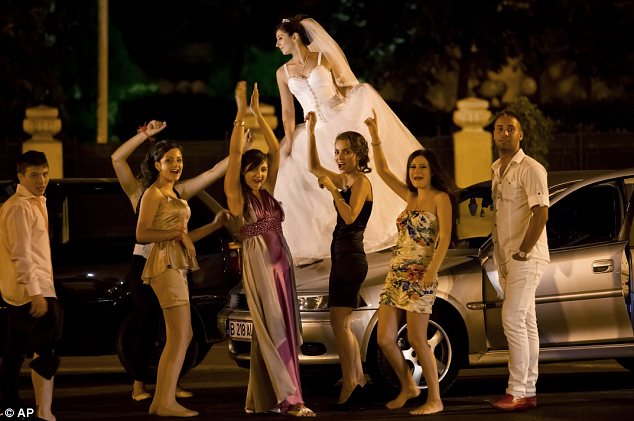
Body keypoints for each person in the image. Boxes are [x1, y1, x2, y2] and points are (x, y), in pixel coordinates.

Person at [274, 15, 423, 264]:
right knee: (309, 185)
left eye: (280, 38)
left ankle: (369, 236)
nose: (277, 44)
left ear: (295, 37)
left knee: (361, 174)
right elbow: (287, 112)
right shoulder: (282, 73)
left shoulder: (324, 59)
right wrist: (289, 140)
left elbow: (345, 86)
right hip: (312, 129)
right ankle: (328, 248)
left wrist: (361, 96)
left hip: (341, 118)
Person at [111, 120, 230, 402]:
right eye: (170, 160)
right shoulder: (142, 193)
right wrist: (143, 135)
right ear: (156, 164)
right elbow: (116, 158)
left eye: (179, 160)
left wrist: (240, 149)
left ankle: (169, 383)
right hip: (145, 267)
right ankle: (139, 384)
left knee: (177, 330)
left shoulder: (178, 192)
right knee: (148, 322)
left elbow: (214, 172)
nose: (176, 165)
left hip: (175, 266)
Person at [225, 81, 315, 417]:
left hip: (282, 263)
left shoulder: (267, 191)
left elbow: (276, 152)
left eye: (262, 170)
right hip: (260, 263)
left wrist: (261, 116)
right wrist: (242, 111)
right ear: (243, 173)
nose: (260, 174)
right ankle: (292, 400)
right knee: (274, 327)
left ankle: (262, 399)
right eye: (254, 170)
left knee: (283, 328)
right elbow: (235, 155)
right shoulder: (239, 198)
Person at [366, 110, 453, 415]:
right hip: (396, 274)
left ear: (432, 171)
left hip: (421, 274)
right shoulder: (409, 196)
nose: (417, 171)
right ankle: (409, 385)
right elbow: (382, 171)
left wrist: (432, 270)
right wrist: (376, 138)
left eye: (422, 167)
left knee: (417, 337)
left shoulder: (440, 198)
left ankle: (436, 400)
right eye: (413, 167)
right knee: (385, 338)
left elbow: (444, 238)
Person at [305, 111, 372, 407]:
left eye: (345, 151)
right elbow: (313, 166)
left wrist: (333, 190)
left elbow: (350, 215)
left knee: (338, 322)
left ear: (358, 154)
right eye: (336, 151)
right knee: (342, 323)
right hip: (343, 256)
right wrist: (310, 131)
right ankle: (358, 378)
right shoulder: (344, 179)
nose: (339, 156)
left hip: (351, 258)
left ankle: (350, 383)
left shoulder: (360, 183)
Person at [489, 110, 549, 412]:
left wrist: (523, 252)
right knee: (526, 323)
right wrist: (501, 258)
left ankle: (517, 391)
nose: (504, 133)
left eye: (510, 129)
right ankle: (528, 390)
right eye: (499, 129)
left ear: (520, 134)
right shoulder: (497, 170)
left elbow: (541, 213)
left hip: (528, 256)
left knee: (512, 319)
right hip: (508, 259)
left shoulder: (531, 168)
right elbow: (500, 221)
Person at [0, 151, 62, 421]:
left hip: (26, 290)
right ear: (21, 176)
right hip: (31, 291)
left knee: (13, 351)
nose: (42, 180)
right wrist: (36, 293)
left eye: (45, 173)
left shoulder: (38, 201)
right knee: (46, 350)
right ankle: (43, 411)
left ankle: (10, 406)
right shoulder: (18, 207)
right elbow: (21, 253)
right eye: (35, 175)